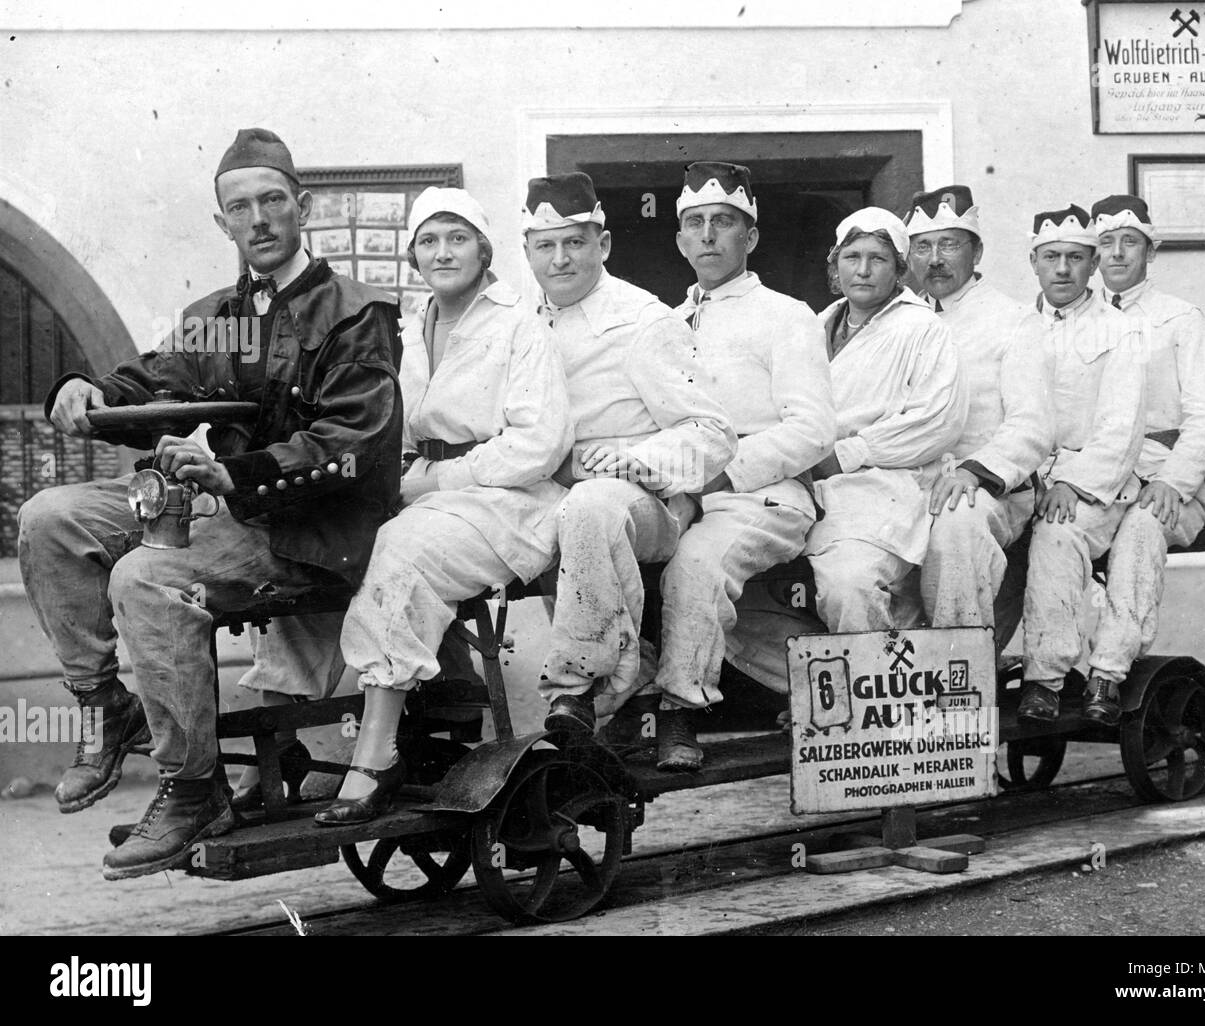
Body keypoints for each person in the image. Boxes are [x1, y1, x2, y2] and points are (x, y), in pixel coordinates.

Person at [17, 128, 403, 877]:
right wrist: (89, 389)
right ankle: (103, 705)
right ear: (221, 223)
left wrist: (238, 474)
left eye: (271, 202)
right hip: (231, 515)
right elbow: (158, 381)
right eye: (239, 207)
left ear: (303, 207)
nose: (257, 219)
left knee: (145, 576)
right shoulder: (219, 314)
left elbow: (353, 443)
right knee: (50, 517)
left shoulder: (356, 313)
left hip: (314, 533)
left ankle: (194, 789)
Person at [315, 187, 572, 825]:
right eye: (428, 241)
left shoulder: (519, 322)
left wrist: (436, 480)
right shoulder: (407, 327)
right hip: (424, 485)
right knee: (318, 539)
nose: (443, 252)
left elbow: (539, 443)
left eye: (457, 238)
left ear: (484, 250)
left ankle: (374, 755)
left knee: (401, 549)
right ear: (412, 256)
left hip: (510, 499)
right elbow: (391, 426)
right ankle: (295, 722)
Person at [602, 162, 834, 770]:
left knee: (696, 567)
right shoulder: (666, 323)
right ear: (679, 240)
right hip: (684, 487)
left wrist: (723, 476)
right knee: (600, 541)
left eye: (723, 223)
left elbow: (812, 428)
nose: (708, 235)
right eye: (695, 224)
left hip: (764, 491)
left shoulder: (787, 315)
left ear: (749, 237)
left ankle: (679, 711)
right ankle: (631, 694)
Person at [525, 172, 736, 738]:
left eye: (576, 242)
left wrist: (649, 460)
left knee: (591, 505)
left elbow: (712, 429)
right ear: (527, 251)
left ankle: (574, 689)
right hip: (545, 490)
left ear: (605, 244)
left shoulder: (643, 320)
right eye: (546, 245)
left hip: (638, 501)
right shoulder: (517, 321)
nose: (561, 260)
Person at [1080, 194, 1205, 724]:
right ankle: (1042, 678)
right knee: (1054, 531)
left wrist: (1174, 482)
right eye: (1106, 244)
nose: (1117, 254)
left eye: (1130, 243)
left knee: (1143, 526)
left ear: (1150, 251)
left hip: (1167, 477)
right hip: (1101, 477)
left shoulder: (1179, 318)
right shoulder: (1077, 318)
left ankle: (1108, 674)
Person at [805, 207, 967, 634]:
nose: (862, 270)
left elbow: (938, 421)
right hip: (809, 486)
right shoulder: (818, 323)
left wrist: (848, 453)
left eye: (877, 259)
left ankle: (867, 695)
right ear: (834, 266)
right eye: (851, 257)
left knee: (849, 584)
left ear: (898, 269)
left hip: (883, 489)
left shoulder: (922, 328)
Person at [905, 186, 1052, 642]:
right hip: (913, 479)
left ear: (977, 250)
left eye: (949, 244)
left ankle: (959, 676)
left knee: (956, 526)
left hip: (990, 487)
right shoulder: (904, 319)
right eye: (922, 247)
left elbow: (1032, 425)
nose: (934, 259)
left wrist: (974, 472)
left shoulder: (1014, 320)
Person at [1018, 205, 1146, 723]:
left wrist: (1072, 483)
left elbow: (1122, 425)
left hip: (1094, 485)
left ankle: (1045, 680)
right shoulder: (1018, 326)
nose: (1063, 269)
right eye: (1052, 257)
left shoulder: (1122, 330)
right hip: (1024, 476)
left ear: (1093, 265)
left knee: (1055, 534)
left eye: (1075, 257)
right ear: (1034, 262)